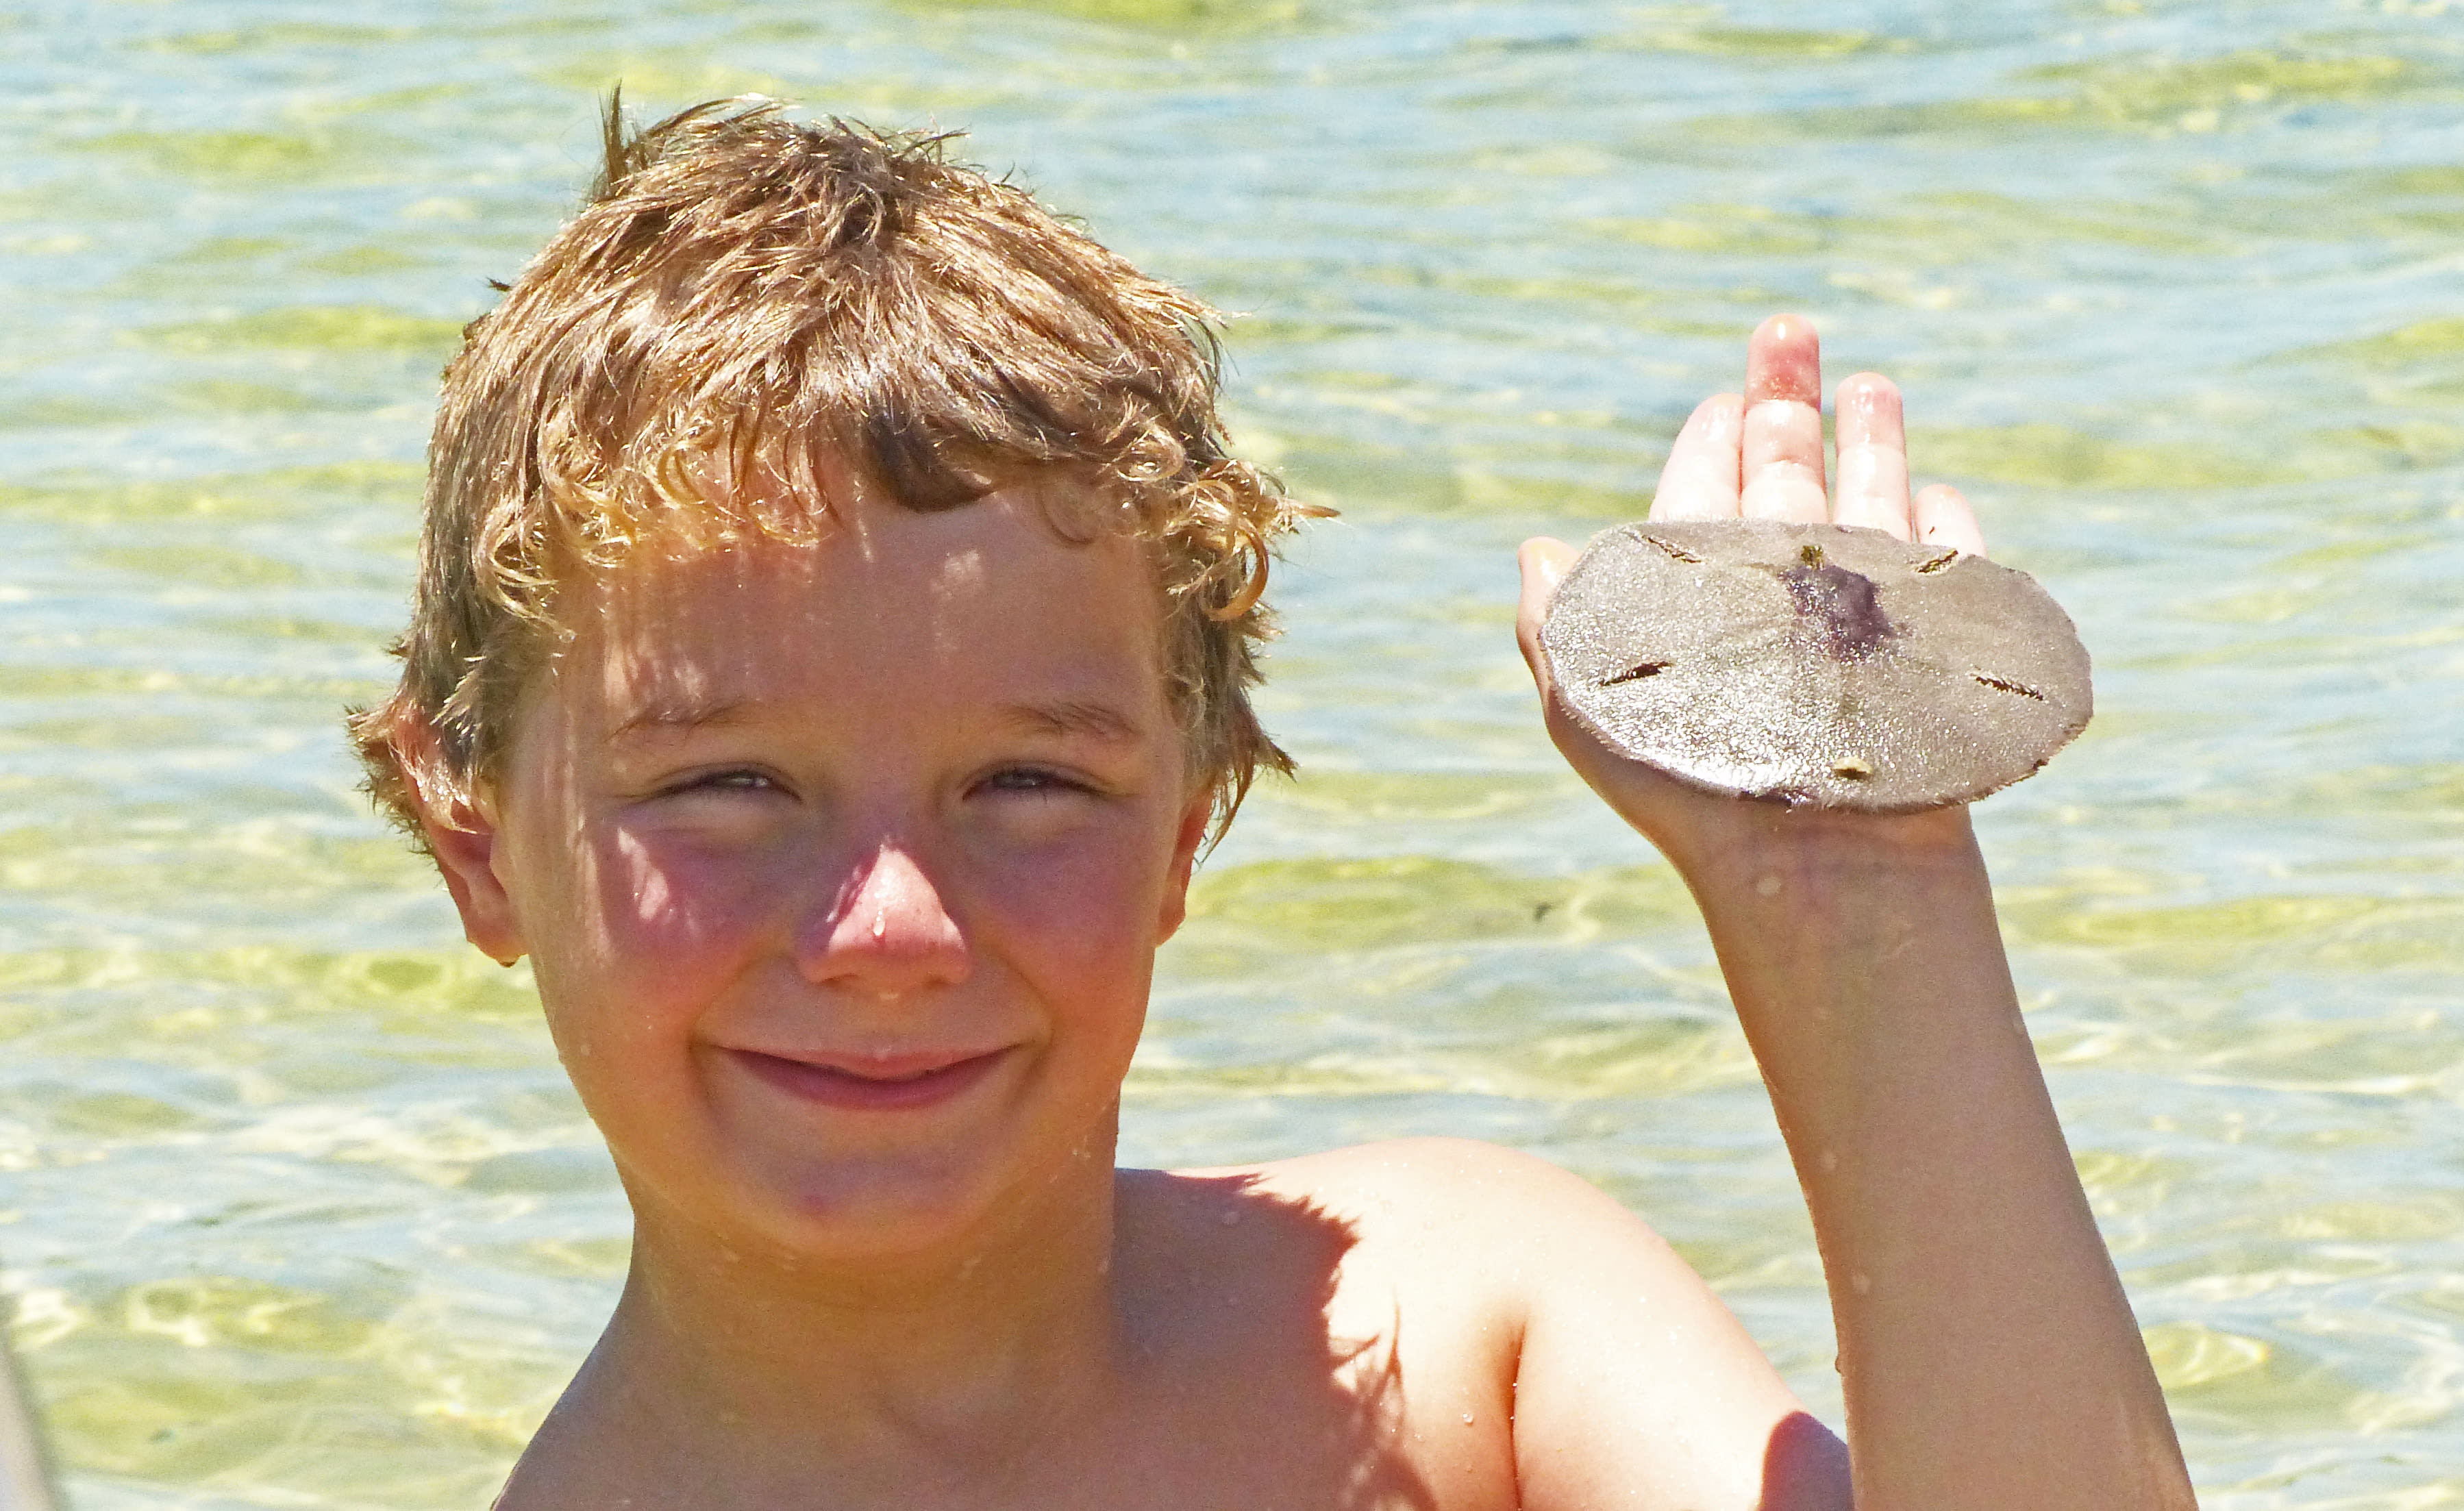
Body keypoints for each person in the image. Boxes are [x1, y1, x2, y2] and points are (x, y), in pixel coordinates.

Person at [349, 95, 2196, 1510]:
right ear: (470, 828)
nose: (893, 927)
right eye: (729, 784)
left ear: (1191, 818)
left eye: (1027, 780)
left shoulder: (1473, 1333)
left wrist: (1862, 904)